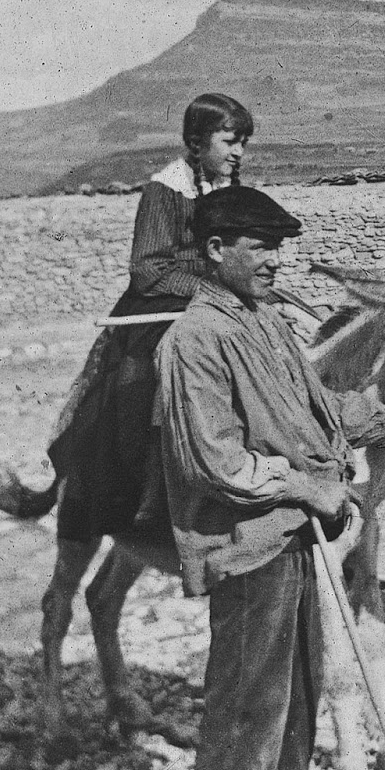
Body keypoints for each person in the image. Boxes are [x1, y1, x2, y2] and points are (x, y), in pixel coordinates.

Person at [156, 185, 385, 770]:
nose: (274, 260)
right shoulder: (195, 340)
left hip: (291, 535)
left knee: (294, 690)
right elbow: (216, 461)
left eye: (279, 246)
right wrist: (308, 487)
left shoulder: (266, 323)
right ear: (215, 250)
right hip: (244, 541)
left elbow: (324, 413)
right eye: (259, 245)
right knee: (245, 704)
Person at [49, 93, 255, 543]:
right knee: (164, 380)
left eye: (243, 142)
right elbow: (148, 270)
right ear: (197, 142)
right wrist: (209, 290)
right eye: (229, 142)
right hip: (161, 307)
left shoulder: (227, 187)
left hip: (216, 302)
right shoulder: (165, 190)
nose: (239, 152)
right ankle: (152, 488)